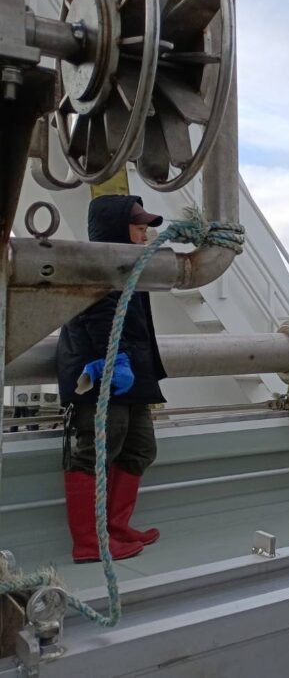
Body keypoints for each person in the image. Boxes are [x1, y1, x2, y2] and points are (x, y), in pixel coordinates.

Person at [57, 195, 167, 563]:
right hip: (99, 372)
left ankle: (116, 528)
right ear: (116, 229)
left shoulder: (130, 265)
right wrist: (114, 359)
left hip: (132, 372)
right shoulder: (95, 266)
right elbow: (96, 316)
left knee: (140, 449)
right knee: (94, 453)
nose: (145, 234)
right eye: (138, 227)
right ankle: (89, 541)